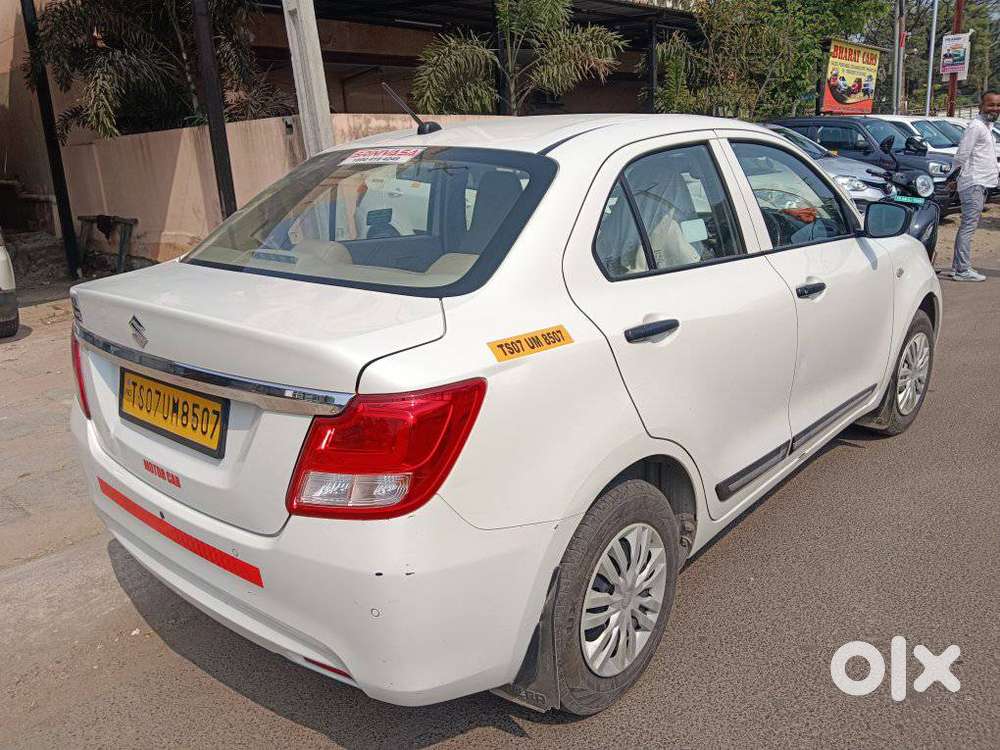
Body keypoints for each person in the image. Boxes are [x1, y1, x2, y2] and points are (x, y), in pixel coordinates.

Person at [949, 91, 1000, 281]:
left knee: (968, 225)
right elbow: (962, 154)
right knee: (968, 226)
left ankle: (957, 267)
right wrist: (952, 177)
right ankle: (962, 270)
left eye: (998, 105)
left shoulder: (987, 126)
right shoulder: (976, 126)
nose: (995, 108)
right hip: (973, 183)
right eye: (991, 105)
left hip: (981, 182)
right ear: (981, 106)